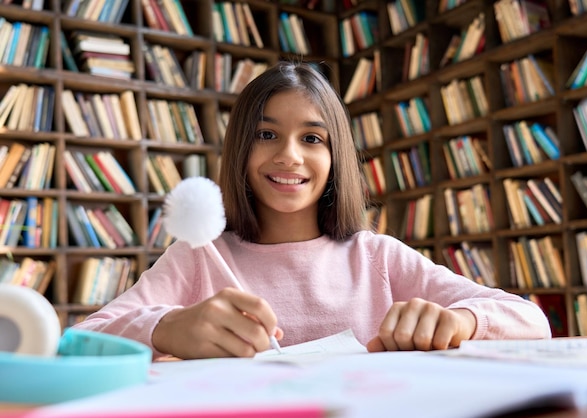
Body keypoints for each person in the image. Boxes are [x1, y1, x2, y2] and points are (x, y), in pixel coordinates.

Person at [73, 61, 551, 359]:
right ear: (240, 147)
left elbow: (530, 322)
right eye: (266, 134)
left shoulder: (377, 257)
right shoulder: (198, 255)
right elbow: (80, 341)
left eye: (312, 138)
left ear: (335, 155)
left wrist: (462, 321)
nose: (290, 156)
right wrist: (167, 329)